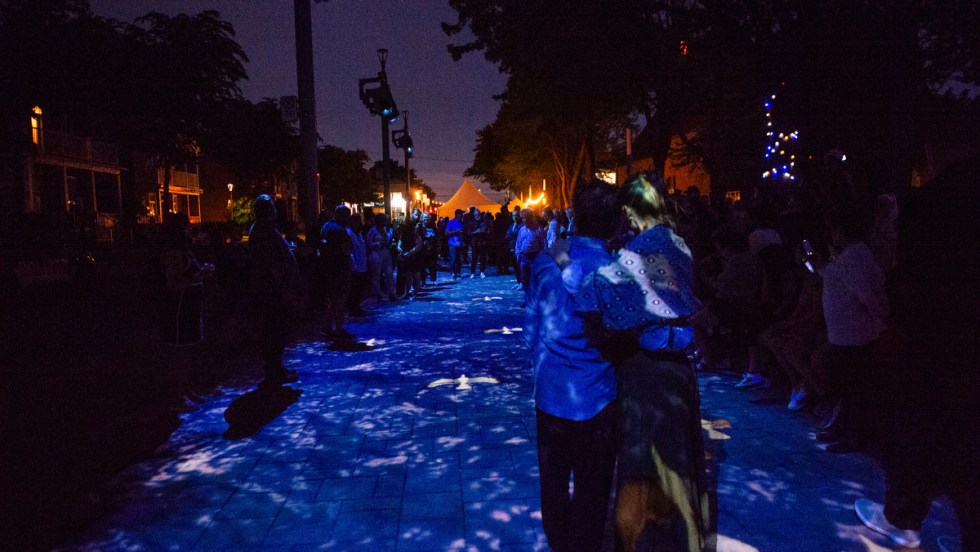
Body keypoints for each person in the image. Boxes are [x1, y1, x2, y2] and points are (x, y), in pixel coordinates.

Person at [574, 172, 711, 552]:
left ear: (634, 208)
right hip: (680, 368)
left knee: (642, 467)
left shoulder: (638, 250)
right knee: (679, 464)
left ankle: (647, 543)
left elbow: (591, 295)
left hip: (646, 370)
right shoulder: (679, 245)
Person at [854, 158, 979, 552]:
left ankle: (903, 518)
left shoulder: (934, 207)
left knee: (920, 430)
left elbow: (911, 285)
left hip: (936, 343)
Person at [525, 180, 621, 552]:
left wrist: (541, 355)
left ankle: (560, 544)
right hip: (599, 392)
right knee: (593, 488)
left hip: (551, 390)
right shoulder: (614, 269)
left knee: (553, 482)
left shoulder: (546, 261)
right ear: (614, 223)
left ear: (575, 217)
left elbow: (531, 323)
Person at [158, 213, 216, 411]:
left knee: (188, 351)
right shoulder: (173, 253)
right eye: (186, 227)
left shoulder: (185, 250)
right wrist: (199, 276)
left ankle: (186, 389)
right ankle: (177, 397)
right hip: (178, 310)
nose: (190, 230)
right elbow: (172, 283)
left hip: (189, 308)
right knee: (179, 353)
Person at [247, 195, 301, 385]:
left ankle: (276, 366)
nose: (275, 209)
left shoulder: (266, 229)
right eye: (271, 206)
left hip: (274, 289)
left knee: (277, 330)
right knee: (274, 330)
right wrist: (283, 288)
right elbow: (270, 265)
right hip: (272, 291)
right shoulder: (263, 230)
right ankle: (273, 369)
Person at [319, 205, 354, 340]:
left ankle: (328, 327)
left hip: (327, 269)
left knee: (332, 301)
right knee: (340, 301)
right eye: (348, 215)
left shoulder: (326, 227)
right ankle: (338, 330)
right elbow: (347, 250)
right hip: (340, 269)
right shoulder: (341, 231)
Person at [445, 209, 465, 279]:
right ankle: (453, 272)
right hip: (452, 243)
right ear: (457, 215)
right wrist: (455, 232)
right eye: (461, 214)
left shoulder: (462, 223)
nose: (462, 216)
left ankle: (458, 272)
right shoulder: (451, 222)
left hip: (460, 243)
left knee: (459, 259)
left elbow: (463, 233)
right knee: (453, 258)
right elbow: (446, 233)